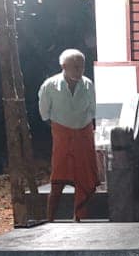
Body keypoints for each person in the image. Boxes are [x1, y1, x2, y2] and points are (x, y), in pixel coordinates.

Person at [37, 48, 98, 222]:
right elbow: (44, 113)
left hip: (83, 135)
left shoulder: (88, 84)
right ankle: (50, 219)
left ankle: (79, 218)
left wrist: (82, 127)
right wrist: (61, 129)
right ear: (64, 66)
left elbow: (92, 109)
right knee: (58, 178)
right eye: (75, 67)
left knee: (84, 178)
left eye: (82, 66)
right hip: (62, 135)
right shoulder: (50, 85)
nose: (79, 70)